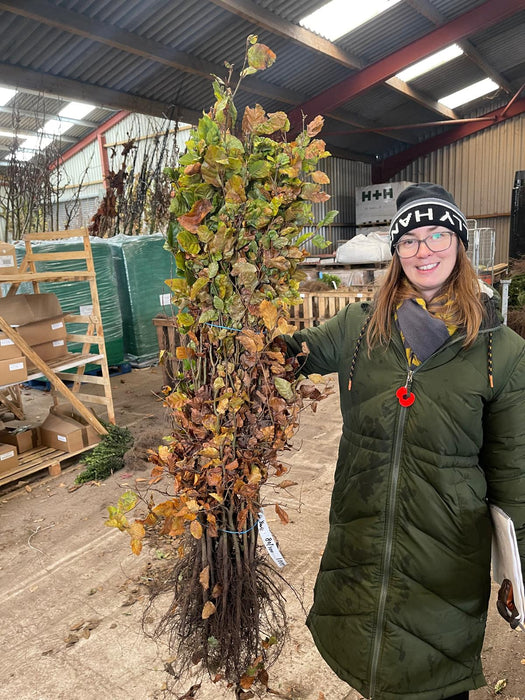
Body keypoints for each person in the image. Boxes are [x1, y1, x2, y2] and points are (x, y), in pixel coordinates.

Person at [285, 183, 525, 700]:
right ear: (396, 250)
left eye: (439, 233)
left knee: (434, 678)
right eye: (411, 238)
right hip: (363, 530)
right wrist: (242, 343)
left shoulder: (499, 350)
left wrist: (518, 568)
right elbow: (295, 354)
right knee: (368, 659)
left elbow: (514, 469)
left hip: (445, 548)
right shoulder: (359, 326)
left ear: (460, 244)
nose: (425, 250)